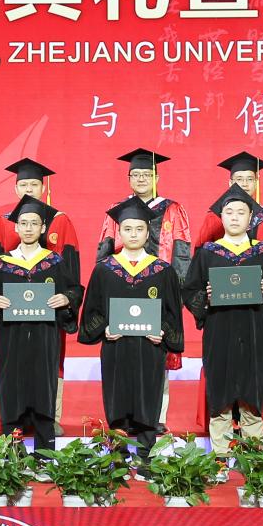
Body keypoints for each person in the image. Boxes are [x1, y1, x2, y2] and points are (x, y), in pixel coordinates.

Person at [0, 158, 83, 436]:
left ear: (43, 187)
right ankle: (14, 429)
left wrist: (67, 299)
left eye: (34, 184)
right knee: (13, 368)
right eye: (23, 184)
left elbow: (72, 279)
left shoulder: (60, 224)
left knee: (47, 367)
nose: (28, 190)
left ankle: (49, 422)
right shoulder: (3, 226)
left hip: (46, 322)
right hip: (12, 325)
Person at [77, 195, 184, 460]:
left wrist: (163, 333)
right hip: (116, 347)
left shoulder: (162, 271)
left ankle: (146, 457)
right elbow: (92, 312)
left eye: (139, 229)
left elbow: (173, 315)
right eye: (127, 229)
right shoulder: (105, 270)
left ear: (148, 233)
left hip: (150, 348)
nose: (133, 234)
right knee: (117, 400)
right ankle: (118, 457)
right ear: (119, 233)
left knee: (149, 400)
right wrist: (104, 329)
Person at [183, 187, 263, 444]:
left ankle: (254, 456)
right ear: (221, 217)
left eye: (241, 212)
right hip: (218, 332)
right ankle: (220, 455)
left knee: (251, 394)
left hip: (253, 332)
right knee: (219, 391)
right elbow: (189, 291)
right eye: (229, 212)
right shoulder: (208, 253)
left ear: (251, 217)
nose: (234, 217)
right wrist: (206, 298)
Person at [95, 148, 193, 279]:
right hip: (122, 279)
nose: (141, 179)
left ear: (156, 178)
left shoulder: (173, 210)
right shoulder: (118, 210)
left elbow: (182, 252)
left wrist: (176, 284)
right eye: (135, 175)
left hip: (162, 279)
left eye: (147, 174)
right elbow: (106, 248)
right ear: (129, 179)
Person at [191, 152, 263, 247]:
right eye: (239, 179)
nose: (245, 184)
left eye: (250, 179)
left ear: (256, 183)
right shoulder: (214, 217)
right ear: (230, 183)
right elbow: (201, 252)